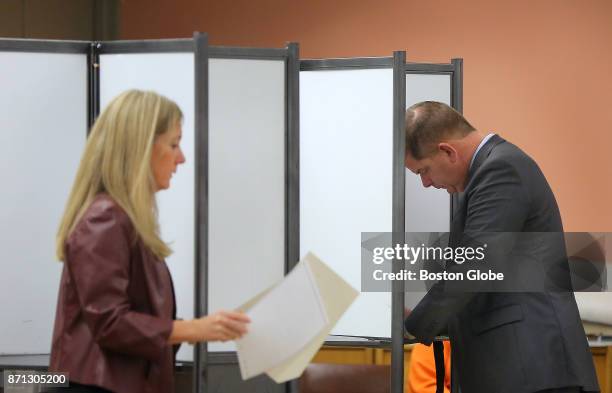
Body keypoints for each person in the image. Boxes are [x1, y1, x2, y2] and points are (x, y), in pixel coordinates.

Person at [47, 90, 250, 393]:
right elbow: (110, 323)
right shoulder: (105, 219)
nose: (181, 158)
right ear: (141, 147)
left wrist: (203, 328)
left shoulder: (123, 218)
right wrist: (195, 329)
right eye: (173, 144)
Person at [402, 101, 599, 393]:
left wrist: (410, 326)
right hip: (524, 368)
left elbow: (476, 265)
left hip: (536, 370)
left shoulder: (501, 169)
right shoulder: (495, 168)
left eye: (423, 171)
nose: (426, 184)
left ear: (447, 151)